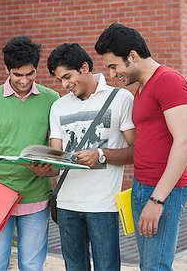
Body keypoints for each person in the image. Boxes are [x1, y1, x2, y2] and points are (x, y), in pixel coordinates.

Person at [95, 23, 187, 271]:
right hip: (142, 186)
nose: (112, 74)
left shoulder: (169, 81)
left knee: (155, 266)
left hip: (164, 192)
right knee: (147, 264)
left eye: (113, 66)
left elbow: (185, 141)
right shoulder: (141, 88)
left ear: (132, 56)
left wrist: (157, 201)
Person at [31, 43, 135, 271]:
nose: (65, 85)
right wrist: (45, 169)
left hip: (103, 205)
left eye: (68, 77)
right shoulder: (58, 107)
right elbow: (57, 160)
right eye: (60, 80)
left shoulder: (121, 98)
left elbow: (136, 151)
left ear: (85, 67)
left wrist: (101, 155)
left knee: (107, 267)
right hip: (67, 204)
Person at [0, 36, 59, 270]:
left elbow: (57, 151)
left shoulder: (52, 99)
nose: (24, 80)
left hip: (36, 197)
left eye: (30, 74)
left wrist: (50, 172)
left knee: (32, 265)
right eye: (18, 75)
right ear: (7, 69)